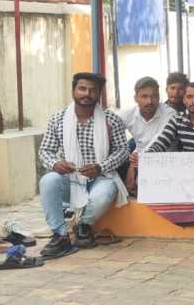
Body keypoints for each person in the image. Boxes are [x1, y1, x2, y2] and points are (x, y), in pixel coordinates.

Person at [37, 73, 129, 258]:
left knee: (108, 190)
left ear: (99, 93)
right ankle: (61, 236)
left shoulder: (111, 120)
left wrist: (101, 167)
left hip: (101, 177)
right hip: (69, 178)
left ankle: (83, 227)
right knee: (48, 181)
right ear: (73, 90)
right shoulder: (58, 119)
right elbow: (45, 150)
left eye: (92, 90)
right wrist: (56, 164)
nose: (87, 94)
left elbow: (122, 150)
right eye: (82, 89)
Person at [117, 77, 175, 195]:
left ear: (159, 97)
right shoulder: (128, 114)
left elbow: (158, 142)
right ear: (135, 98)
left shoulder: (170, 114)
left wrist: (133, 166)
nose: (149, 101)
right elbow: (110, 128)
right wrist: (131, 163)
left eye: (154, 96)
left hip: (164, 160)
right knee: (116, 164)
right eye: (144, 96)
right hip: (137, 159)